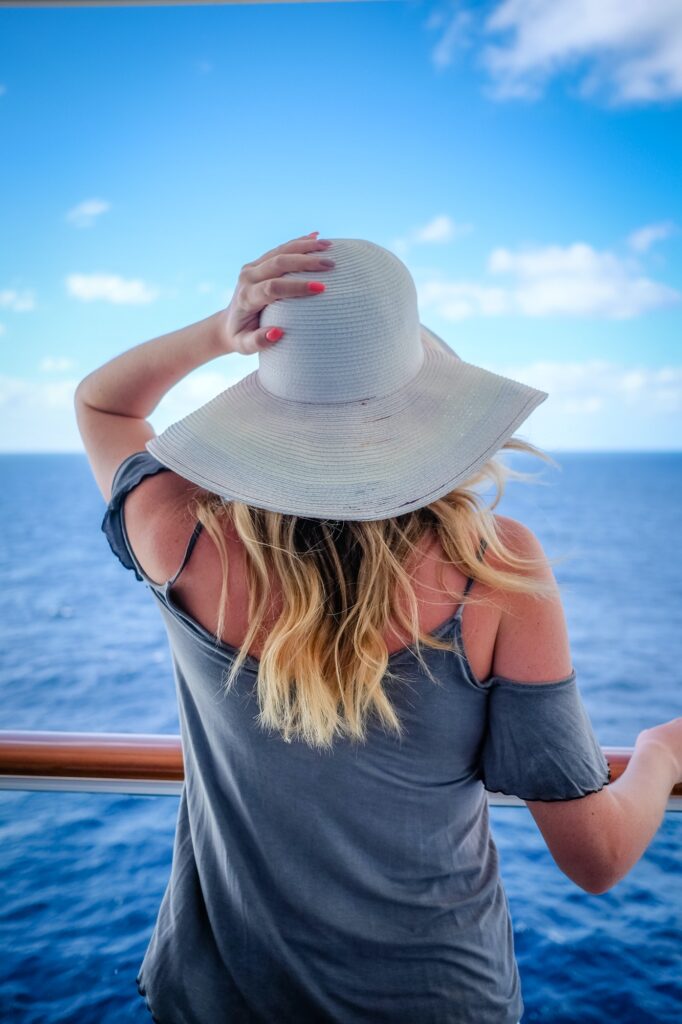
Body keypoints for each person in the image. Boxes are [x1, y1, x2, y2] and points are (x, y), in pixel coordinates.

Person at [75, 233, 681, 1024]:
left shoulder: (176, 533)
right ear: (427, 400)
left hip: (223, 1002)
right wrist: (662, 754)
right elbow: (595, 857)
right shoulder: (495, 570)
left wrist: (219, 333)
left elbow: (103, 403)